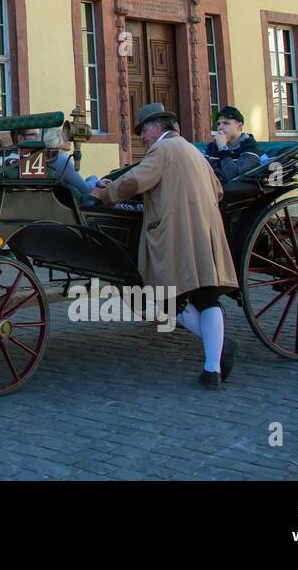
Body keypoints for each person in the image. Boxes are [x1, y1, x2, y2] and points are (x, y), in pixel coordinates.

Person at [90, 103, 239, 387]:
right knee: (206, 297)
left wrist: (104, 193)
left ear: (157, 127)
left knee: (168, 299)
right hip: (205, 231)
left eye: (143, 131)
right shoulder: (192, 150)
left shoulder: (162, 150)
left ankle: (220, 348)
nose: (141, 138)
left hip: (177, 235)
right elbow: (218, 190)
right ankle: (213, 369)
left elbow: (135, 181)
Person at [205, 106, 261, 183]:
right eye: (218, 124)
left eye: (226, 123)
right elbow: (205, 173)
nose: (220, 127)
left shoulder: (250, 147)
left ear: (239, 126)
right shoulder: (212, 147)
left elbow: (233, 176)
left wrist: (222, 148)